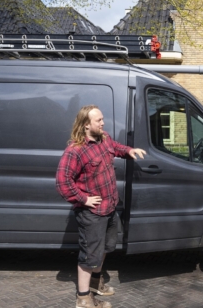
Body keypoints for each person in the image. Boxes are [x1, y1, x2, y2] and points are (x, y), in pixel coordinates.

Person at [56, 105, 146, 308]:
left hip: (109, 208)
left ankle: (95, 283)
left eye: (102, 119)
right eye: (98, 120)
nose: (103, 123)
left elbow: (116, 147)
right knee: (90, 255)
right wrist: (83, 199)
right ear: (86, 125)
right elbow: (63, 182)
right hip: (92, 213)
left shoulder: (104, 139)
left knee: (106, 247)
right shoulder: (75, 150)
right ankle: (83, 298)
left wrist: (129, 151)